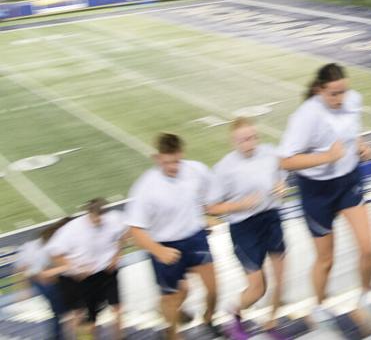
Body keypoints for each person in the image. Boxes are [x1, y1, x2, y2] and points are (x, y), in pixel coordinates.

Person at [279, 63, 371, 332]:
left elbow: (350, 132)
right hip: (317, 191)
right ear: (319, 90)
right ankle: (319, 306)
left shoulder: (353, 100)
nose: (340, 99)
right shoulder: (305, 117)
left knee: (368, 247)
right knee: (326, 259)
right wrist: (327, 157)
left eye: (343, 92)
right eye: (333, 94)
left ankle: (365, 298)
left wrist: (360, 146)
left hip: (348, 182)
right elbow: (286, 161)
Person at [126, 133, 222, 339]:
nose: (173, 167)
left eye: (176, 161)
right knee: (172, 298)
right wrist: (158, 250)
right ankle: (172, 334)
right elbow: (135, 230)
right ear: (157, 158)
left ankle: (208, 318)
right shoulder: (145, 187)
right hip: (164, 244)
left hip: (194, 237)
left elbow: (209, 199)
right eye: (168, 162)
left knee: (214, 288)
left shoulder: (197, 171)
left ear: (182, 154)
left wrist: (205, 217)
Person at [206, 118, 289, 340]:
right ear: (233, 141)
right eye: (243, 140)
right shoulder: (224, 168)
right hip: (244, 227)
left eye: (252, 137)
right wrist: (239, 205)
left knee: (282, 278)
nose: (249, 143)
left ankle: (272, 324)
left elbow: (283, 174)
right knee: (257, 288)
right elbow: (211, 206)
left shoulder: (270, 153)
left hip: (271, 218)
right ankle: (234, 313)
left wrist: (282, 185)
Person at [45, 199, 128, 339]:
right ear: (89, 214)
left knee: (118, 308)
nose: (99, 221)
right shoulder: (72, 229)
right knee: (88, 318)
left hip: (107, 272)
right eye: (96, 217)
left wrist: (117, 255)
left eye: (101, 217)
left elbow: (125, 233)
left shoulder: (113, 219)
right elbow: (54, 254)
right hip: (83, 278)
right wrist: (75, 268)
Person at [15, 218, 70, 340]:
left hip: (42, 278)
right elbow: (41, 273)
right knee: (64, 311)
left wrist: (23, 289)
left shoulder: (32, 245)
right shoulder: (50, 247)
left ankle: (58, 334)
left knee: (61, 312)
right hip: (43, 280)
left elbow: (21, 269)